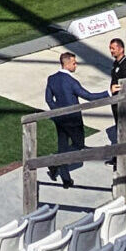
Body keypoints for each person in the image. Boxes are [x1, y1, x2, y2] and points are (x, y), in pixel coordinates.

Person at [43, 50, 110, 187]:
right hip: (74, 120)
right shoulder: (72, 82)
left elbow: (49, 99)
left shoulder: (52, 79)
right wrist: (109, 92)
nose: (76, 65)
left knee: (63, 145)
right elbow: (89, 96)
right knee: (78, 145)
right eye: (74, 63)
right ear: (67, 64)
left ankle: (65, 178)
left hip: (59, 119)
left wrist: (58, 112)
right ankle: (55, 163)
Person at [105, 37, 126, 144]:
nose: (111, 51)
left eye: (113, 48)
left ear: (121, 49)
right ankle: (122, 151)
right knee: (120, 130)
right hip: (117, 103)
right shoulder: (116, 63)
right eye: (110, 48)